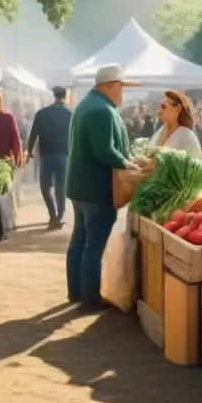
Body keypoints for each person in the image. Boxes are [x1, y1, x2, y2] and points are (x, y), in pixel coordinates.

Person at [65, 64, 138, 308]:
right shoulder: (102, 110)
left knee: (79, 239)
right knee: (93, 244)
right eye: (121, 86)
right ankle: (90, 298)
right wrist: (131, 165)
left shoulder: (87, 104)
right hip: (96, 188)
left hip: (79, 186)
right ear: (108, 86)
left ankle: (75, 292)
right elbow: (105, 151)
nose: (123, 92)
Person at [27, 87, 73, 230]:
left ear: (54, 96)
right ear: (65, 97)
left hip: (46, 155)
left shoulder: (42, 113)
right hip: (64, 155)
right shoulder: (71, 114)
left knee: (45, 186)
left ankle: (52, 214)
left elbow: (33, 133)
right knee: (61, 186)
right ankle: (60, 214)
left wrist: (29, 150)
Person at [152, 90, 202, 156]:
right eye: (159, 107)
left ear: (178, 109)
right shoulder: (162, 130)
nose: (159, 111)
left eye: (163, 107)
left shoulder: (185, 135)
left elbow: (160, 159)